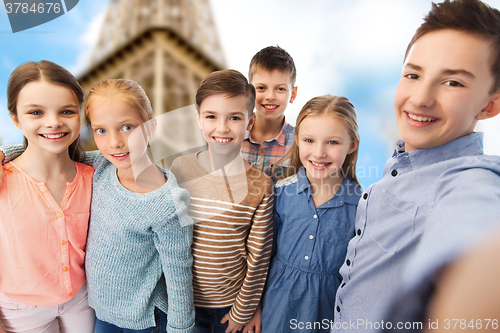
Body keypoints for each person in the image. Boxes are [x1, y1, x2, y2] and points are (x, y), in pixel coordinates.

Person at [333, 0, 500, 332]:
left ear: (490, 105)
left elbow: (480, 236)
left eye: (453, 82)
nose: (421, 97)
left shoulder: (468, 181)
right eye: (413, 74)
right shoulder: (397, 168)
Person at [0, 79, 195, 333]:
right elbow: (49, 154)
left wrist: (181, 329)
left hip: (143, 320)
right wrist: (5, 153)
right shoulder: (102, 166)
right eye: (101, 131)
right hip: (99, 313)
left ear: (152, 126)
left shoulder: (168, 202)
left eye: (127, 127)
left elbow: (179, 275)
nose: (115, 142)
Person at [169, 69, 274, 333]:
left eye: (235, 118)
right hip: (181, 302)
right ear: (199, 119)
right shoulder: (179, 169)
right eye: (212, 116)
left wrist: (243, 311)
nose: (222, 128)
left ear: (250, 122)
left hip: (229, 307)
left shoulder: (261, 185)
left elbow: (258, 257)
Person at [0, 60, 95, 332]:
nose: (53, 122)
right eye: (35, 112)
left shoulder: (94, 176)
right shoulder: (4, 179)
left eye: (66, 111)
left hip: (81, 299)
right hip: (19, 311)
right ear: (15, 118)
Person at [260, 95, 361, 333]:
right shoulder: (280, 192)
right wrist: (253, 310)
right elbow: (262, 258)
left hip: (325, 315)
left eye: (333, 143)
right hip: (275, 309)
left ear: (352, 145)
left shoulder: (361, 206)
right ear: (297, 140)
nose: (319, 153)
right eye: (309, 140)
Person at [241, 46, 298, 179]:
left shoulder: (300, 144)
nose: (270, 96)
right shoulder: (232, 133)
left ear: (293, 94)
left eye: (280, 89)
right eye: (261, 88)